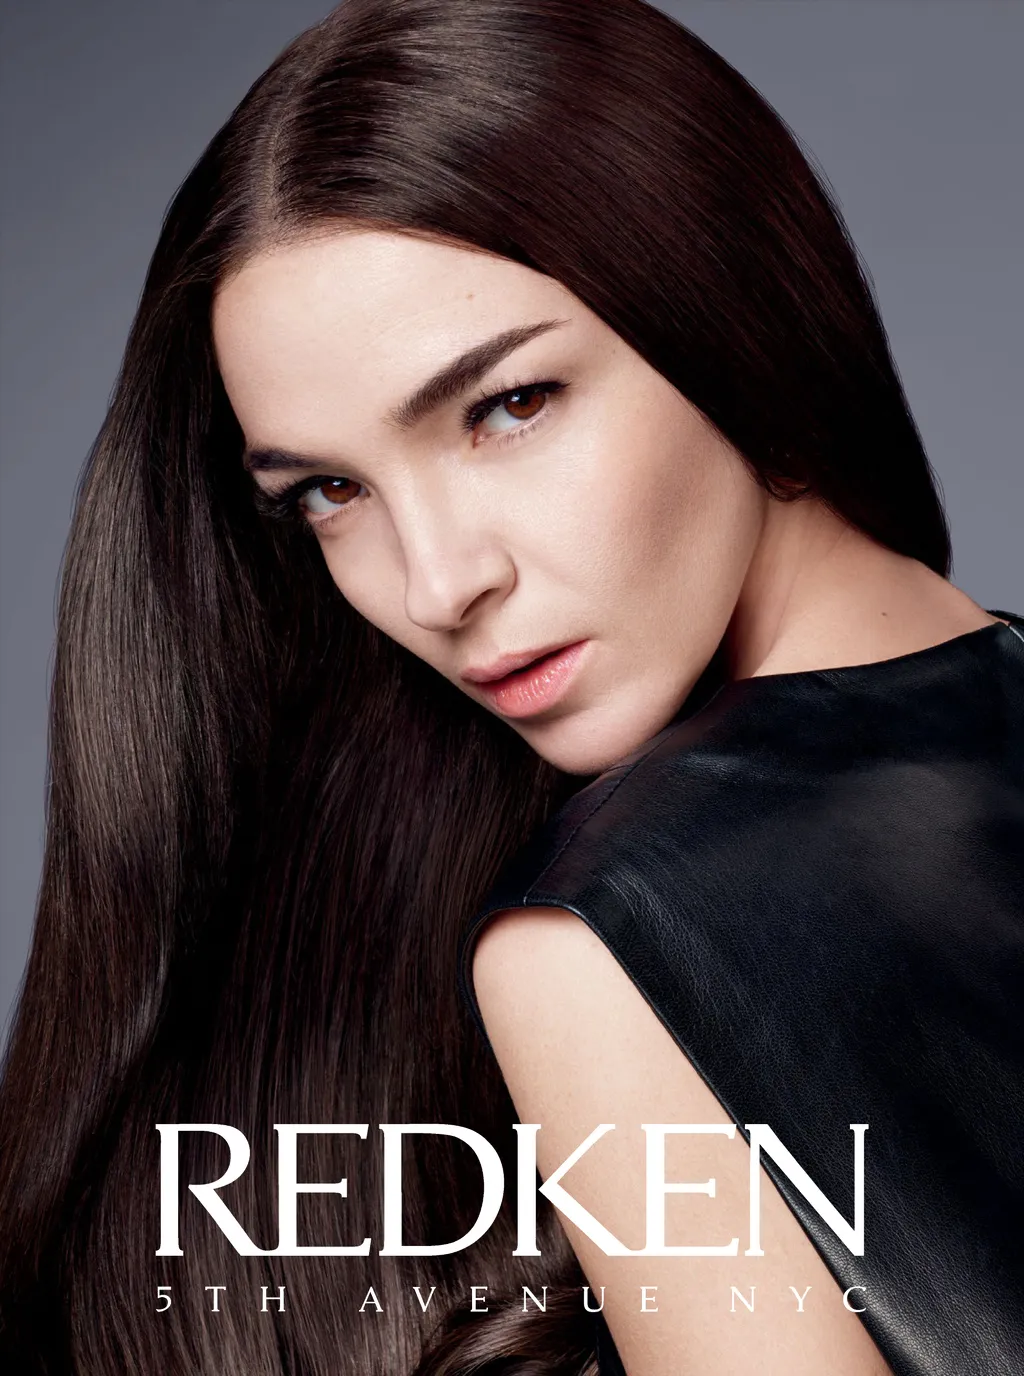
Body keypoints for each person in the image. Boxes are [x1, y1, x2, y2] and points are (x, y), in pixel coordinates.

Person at [1, 1, 1020, 1373]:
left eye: (508, 406)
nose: (436, 583)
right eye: (330, 492)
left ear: (727, 310)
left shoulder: (604, 945)